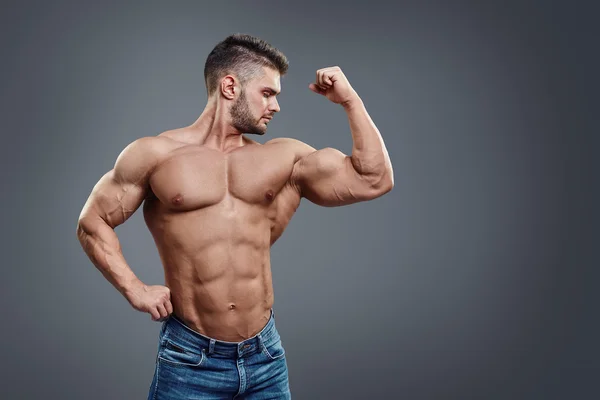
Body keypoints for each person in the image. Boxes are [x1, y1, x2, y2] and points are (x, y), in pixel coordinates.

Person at [76, 33, 393, 399]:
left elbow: (374, 179)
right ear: (230, 86)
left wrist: (350, 101)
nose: (275, 106)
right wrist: (135, 289)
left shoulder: (284, 158)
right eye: (267, 93)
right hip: (189, 358)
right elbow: (92, 222)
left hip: (265, 358)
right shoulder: (155, 155)